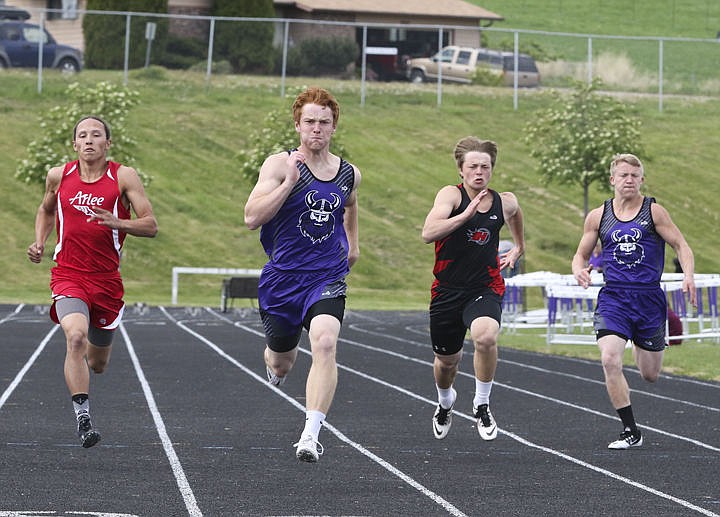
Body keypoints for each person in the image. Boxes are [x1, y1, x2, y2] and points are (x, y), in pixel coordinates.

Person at [244, 86, 361, 463]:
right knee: (282, 359)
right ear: (297, 124)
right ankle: (275, 366)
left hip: (325, 275)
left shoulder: (349, 173)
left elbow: (350, 204)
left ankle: (310, 435)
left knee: (325, 342)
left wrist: (352, 245)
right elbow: (251, 217)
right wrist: (290, 184)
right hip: (283, 279)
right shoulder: (279, 165)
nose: (316, 129)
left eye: (324, 123)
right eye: (309, 121)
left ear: (334, 127)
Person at [27, 115, 158, 448]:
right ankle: (83, 418)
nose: (88, 140)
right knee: (75, 338)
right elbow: (45, 210)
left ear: (107, 143)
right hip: (68, 274)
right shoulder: (59, 175)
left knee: (98, 363)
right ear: (74, 144)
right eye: (82, 135)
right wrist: (40, 241)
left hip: (106, 281)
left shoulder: (123, 176)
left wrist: (118, 222)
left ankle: (87, 372)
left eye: (96, 135)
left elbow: (150, 225)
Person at [572, 153, 695, 450]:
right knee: (610, 359)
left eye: (634, 176)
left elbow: (681, 245)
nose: (629, 180)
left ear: (641, 180)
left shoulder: (654, 212)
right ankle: (630, 430)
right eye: (623, 175)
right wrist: (579, 268)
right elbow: (581, 254)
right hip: (614, 298)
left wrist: (687, 275)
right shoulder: (598, 216)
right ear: (613, 179)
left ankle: (644, 347)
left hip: (649, 299)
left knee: (650, 375)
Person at [421, 136, 524, 441]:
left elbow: (516, 213)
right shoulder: (450, 197)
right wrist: (466, 215)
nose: (480, 172)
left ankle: (481, 403)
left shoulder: (504, 201)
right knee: (446, 363)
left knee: (486, 337)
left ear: (492, 170)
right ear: (461, 171)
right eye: (473, 167)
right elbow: (428, 233)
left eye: (485, 166)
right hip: (447, 289)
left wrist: (519, 245)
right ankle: (445, 402)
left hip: (485, 285)